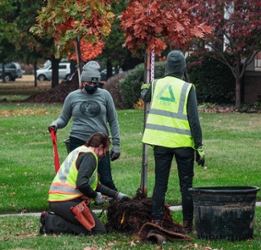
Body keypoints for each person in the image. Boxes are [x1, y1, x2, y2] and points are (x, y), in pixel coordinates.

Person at [141, 50, 204, 233]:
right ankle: (187, 225)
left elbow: (144, 96)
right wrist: (199, 146)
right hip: (183, 145)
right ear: (183, 66)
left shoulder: (156, 84)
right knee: (186, 185)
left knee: (160, 183)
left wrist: (146, 85)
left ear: (167, 65)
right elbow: (194, 120)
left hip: (161, 144)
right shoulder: (187, 88)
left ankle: (157, 222)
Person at [48, 65, 121, 192]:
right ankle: (79, 203)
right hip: (78, 141)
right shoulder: (72, 97)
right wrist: (55, 124)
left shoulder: (105, 95)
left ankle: (114, 201)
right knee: (80, 178)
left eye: (95, 83)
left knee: (106, 179)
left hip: (99, 144)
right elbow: (63, 119)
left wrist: (116, 145)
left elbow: (113, 121)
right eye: (90, 82)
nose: (93, 85)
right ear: (83, 82)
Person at [41, 132, 129, 235]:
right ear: (100, 147)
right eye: (105, 151)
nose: (104, 155)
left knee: (89, 227)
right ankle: (50, 222)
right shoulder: (90, 157)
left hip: (59, 200)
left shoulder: (81, 151)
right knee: (98, 231)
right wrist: (95, 195)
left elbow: (96, 185)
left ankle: (56, 220)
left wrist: (117, 195)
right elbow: (81, 183)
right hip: (65, 201)